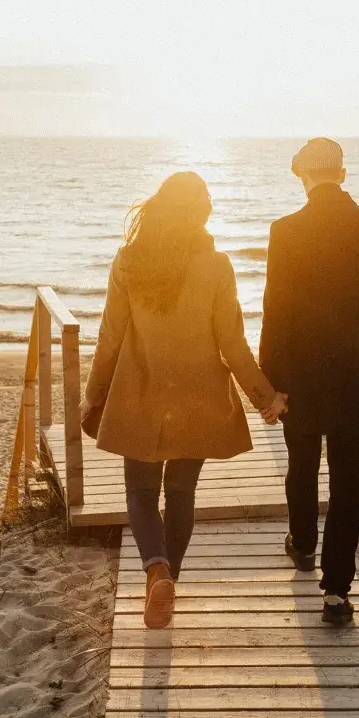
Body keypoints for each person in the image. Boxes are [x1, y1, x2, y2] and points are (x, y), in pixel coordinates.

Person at [80, 172, 288, 629]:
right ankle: (168, 577)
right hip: (199, 396)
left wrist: (92, 394)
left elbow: (110, 337)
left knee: (138, 491)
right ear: (201, 215)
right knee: (181, 492)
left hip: (139, 395)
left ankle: (156, 570)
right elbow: (232, 345)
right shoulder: (217, 266)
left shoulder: (129, 261)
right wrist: (265, 398)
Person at [259, 138, 359, 625]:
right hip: (354, 373)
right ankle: (337, 592)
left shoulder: (285, 230)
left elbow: (274, 311)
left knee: (301, 464)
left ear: (302, 176)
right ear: (342, 174)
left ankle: (302, 544)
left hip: (299, 374)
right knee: (346, 481)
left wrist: (270, 381)